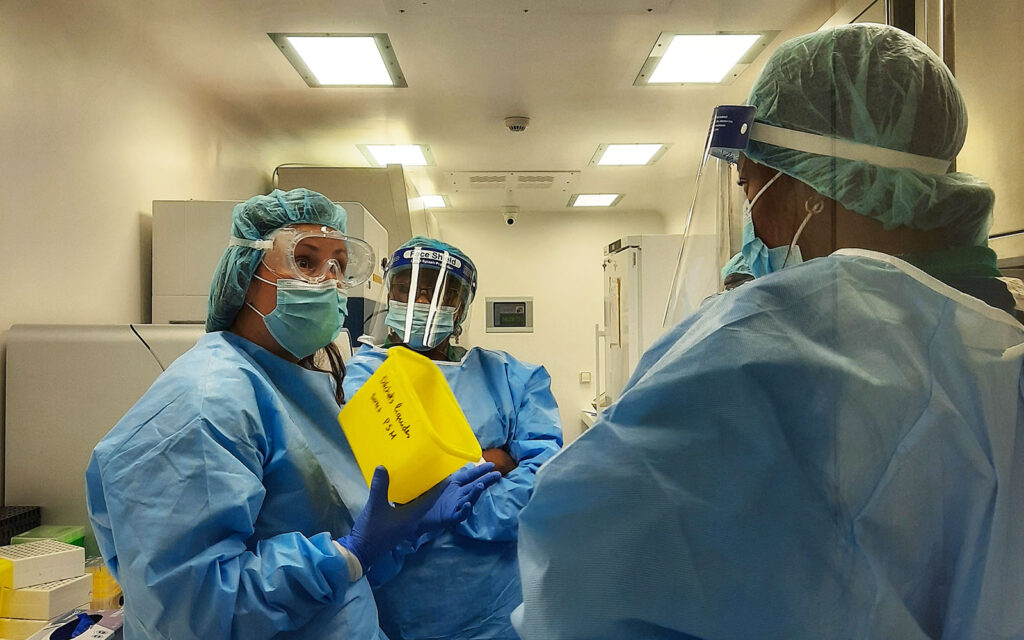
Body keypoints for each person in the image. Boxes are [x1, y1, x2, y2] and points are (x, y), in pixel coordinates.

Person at [513, 24, 1024, 640]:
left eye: (751, 184)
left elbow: (574, 573)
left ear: (812, 184)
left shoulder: (763, 353)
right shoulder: (1000, 349)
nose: (752, 223)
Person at [85, 189, 500, 640]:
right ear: (246, 271)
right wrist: (350, 551)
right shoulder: (205, 404)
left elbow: (335, 548)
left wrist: (399, 530)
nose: (331, 281)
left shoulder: (295, 385)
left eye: (341, 264)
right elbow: (195, 612)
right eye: (306, 261)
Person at [344, 237, 563, 640]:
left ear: (460, 306)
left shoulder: (514, 377)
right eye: (407, 286)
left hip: (494, 599)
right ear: (389, 294)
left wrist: (459, 507)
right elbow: (394, 468)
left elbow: (547, 472)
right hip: (400, 599)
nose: (420, 299)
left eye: (438, 290)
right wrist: (496, 460)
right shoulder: (365, 375)